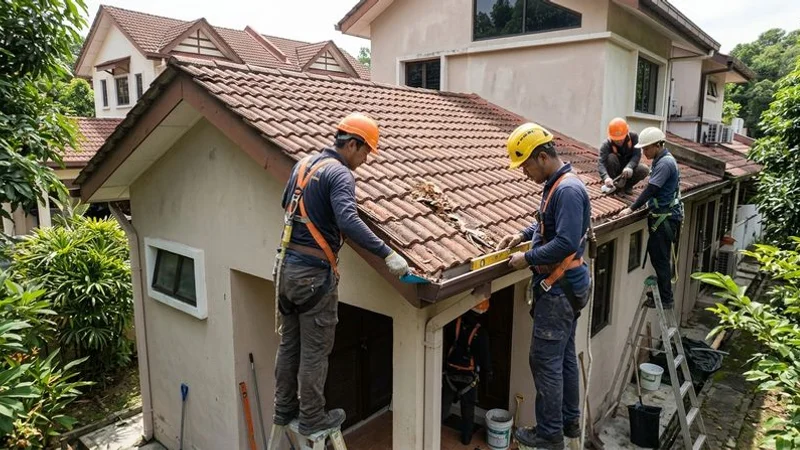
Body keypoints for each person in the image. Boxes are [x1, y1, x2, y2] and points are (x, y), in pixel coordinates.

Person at [273, 113, 410, 435]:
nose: (364, 160)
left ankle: (283, 408)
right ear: (351, 144)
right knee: (315, 351)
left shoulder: (303, 165)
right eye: (364, 152)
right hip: (313, 277)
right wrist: (387, 253)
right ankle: (311, 417)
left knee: (289, 344)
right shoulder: (340, 174)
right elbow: (348, 220)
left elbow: (286, 203)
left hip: (286, 271)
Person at [496, 123, 592, 450]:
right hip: (569, 287)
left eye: (525, 165)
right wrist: (523, 235)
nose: (524, 173)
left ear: (541, 156)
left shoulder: (567, 190)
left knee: (544, 361)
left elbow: (565, 242)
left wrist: (527, 258)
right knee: (563, 357)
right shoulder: (558, 185)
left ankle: (549, 433)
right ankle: (568, 419)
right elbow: (547, 224)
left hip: (560, 288)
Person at [618, 127, 683, 309]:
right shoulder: (661, 160)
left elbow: (651, 190)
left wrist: (631, 209)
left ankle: (665, 299)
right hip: (664, 216)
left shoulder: (664, 164)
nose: (644, 152)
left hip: (665, 218)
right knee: (658, 257)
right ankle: (664, 295)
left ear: (658, 145)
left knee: (660, 259)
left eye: (647, 148)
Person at [441, 300, 493, 446]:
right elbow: (486, 359)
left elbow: (446, 343)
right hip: (469, 378)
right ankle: (466, 438)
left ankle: (434, 429)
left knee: (443, 405)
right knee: (468, 409)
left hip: (450, 373)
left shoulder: (453, 324)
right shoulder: (481, 334)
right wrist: (488, 376)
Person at [598, 118, 649, 195]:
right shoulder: (606, 144)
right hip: (615, 171)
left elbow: (637, 155)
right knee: (611, 157)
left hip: (629, 171)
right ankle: (614, 185)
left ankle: (627, 186)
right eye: (616, 140)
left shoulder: (634, 137)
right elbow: (601, 163)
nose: (619, 141)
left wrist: (629, 166)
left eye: (621, 138)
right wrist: (606, 177)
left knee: (644, 169)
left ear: (626, 133)